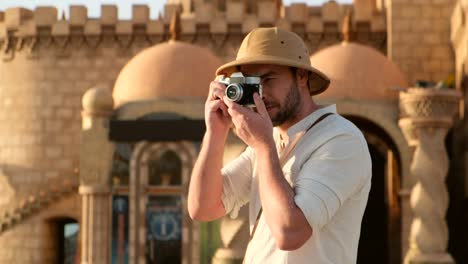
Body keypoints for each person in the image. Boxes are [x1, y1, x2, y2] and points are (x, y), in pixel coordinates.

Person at [188, 27, 371, 263]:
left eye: (268, 79)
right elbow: (203, 207)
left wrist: (264, 146)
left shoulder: (341, 139)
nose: (260, 94)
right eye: (251, 83)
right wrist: (215, 132)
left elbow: (290, 233)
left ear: (301, 77)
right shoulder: (268, 141)